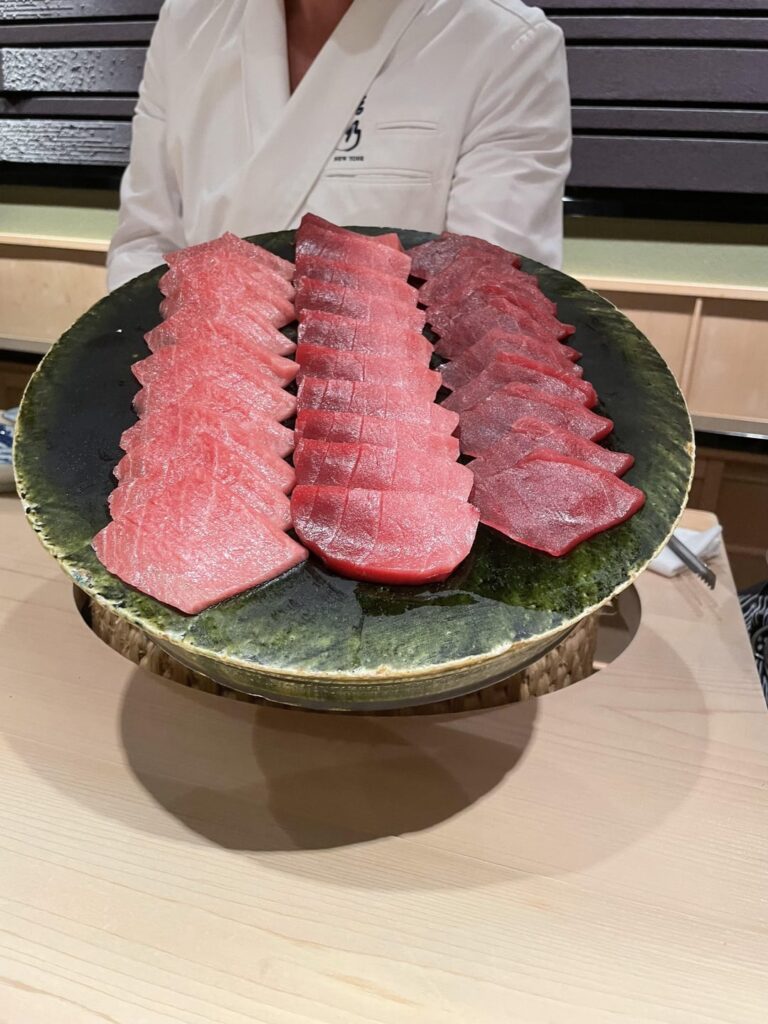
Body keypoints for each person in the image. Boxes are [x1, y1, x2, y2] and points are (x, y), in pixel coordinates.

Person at [107, 0, 571, 290]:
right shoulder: (186, 24)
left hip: (395, 411)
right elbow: (146, 245)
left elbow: (485, 296)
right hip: (199, 390)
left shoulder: (505, 44)